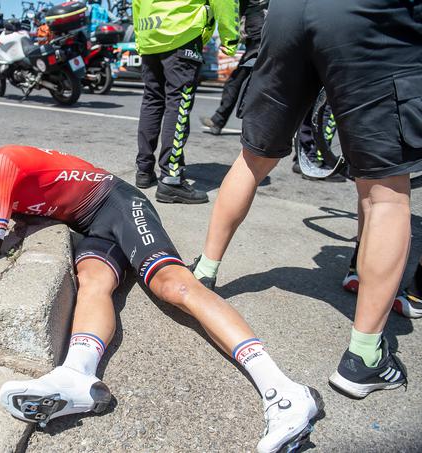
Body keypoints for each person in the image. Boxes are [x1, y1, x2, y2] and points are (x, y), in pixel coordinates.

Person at [0, 143, 323, 453]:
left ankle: (284, 391)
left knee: (173, 286)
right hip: (88, 224)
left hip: (115, 202)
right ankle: (76, 376)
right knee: (93, 282)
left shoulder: (2, 165)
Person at [193, 0, 420, 398]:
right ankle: (364, 358)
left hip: (288, 10)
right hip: (369, 16)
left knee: (252, 159)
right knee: (385, 193)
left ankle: (204, 272)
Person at [133, 0, 238, 204]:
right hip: (182, 31)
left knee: (152, 100)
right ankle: (171, 180)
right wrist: (230, 37)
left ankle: (144, 170)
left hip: (150, 34)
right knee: (178, 103)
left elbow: (136, 3)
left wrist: (140, 39)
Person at [200, 0, 268, 136]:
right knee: (247, 80)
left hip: (257, 37)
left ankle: (219, 120)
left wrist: (230, 38)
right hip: (265, 35)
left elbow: (232, 10)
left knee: (238, 81)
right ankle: (219, 120)